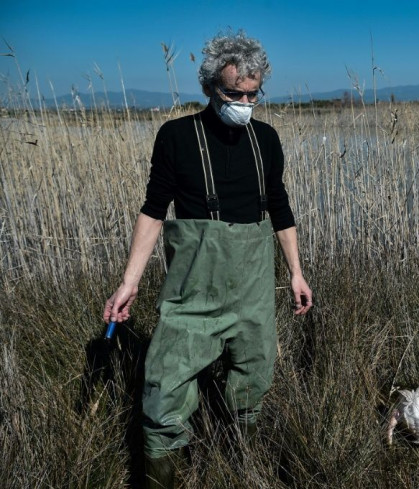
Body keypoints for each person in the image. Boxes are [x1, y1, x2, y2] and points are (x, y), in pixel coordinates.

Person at [103, 30, 312, 488]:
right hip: (192, 292)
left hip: (254, 291)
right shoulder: (176, 137)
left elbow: (280, 208)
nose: (243, 101)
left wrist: (296, 272)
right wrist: (130, 281)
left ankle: (242, 467)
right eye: (233, 92)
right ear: (208, 87)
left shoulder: (268, 140)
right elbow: (154, 210)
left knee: (251, 383)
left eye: (252, 94)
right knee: (164, 389)